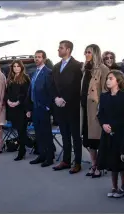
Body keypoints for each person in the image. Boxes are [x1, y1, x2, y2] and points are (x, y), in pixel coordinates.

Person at [97, 70, 124, 198]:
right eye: (107, 78)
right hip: (107, 133)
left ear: (118, 81)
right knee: (111, 160)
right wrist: (104, 125)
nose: (108, 81)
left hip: (120, 134)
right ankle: (114, 186)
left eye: (111, 78)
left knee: (121, 162)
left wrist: (115, 127)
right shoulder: (104, 96)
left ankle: (123, 186)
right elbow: (100, 114)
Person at [52, 40, 83, 174]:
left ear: (68, 50)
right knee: (64, 135)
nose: (58, 50)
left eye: (61, 48)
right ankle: (65, 160)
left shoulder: (77, 66)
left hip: (72, 106)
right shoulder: (56, 66)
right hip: (59, 106)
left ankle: (77, 162)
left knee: (75, 136)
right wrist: (56, 98)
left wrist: (65, 99)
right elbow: (52, 84)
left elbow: (78, 86)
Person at [80, 44, 110, 178]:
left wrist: (101, 107)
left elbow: (105, 90)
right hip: (84, 108)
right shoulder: (85, 69)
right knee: (87, 139)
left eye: (89, 52)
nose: (86, 55)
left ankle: (99, 166)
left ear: (96, 54)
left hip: (96, 109)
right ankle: (93, 164)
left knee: (97, 139)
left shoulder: (103, 69)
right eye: (85, 52)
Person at [26, 50, 55, 167]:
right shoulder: (34, 73)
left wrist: (48, 107)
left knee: (46, 133)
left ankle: (49, 157)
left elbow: (51, 91)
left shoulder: (48, 73)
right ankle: (42, 155)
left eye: (39, 57)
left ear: (44, 59)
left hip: (44, 108)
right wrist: (29, 108)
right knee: (38, 133)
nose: (36, 59)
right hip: (35, 108)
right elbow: (31, 91)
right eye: (35, 57)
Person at [5, 59, 31, 161]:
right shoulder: (10, 78)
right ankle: (32, 144)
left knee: (22, 131)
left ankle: (22, 151)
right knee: (19, 131)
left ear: (21, 67)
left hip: (21, 108)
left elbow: (26, 94)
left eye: (18, 66)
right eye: (14, 66)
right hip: (12, 109)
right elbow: (7, 92)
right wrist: (7, 101)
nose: (16, 68)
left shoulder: (25, 78)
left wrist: (18, 102)